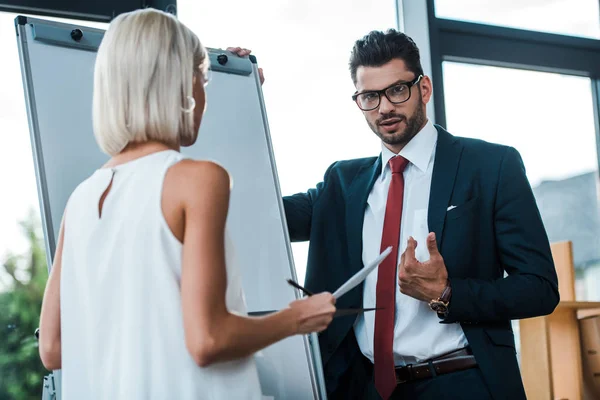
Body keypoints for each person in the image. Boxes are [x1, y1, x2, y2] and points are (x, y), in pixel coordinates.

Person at [244, 28, 560, 400]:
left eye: (396, 90)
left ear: (423, 89)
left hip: (462, 382)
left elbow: (539, 288)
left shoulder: (491, 166)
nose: (384, 108)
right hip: (363, 388)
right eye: (369, 96)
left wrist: (447, 293)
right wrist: (236, 95)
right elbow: (254, 213)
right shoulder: (340, 184)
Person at [37, 9, 336, 400]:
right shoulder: (200, 180)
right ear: (179, 83)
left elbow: (52, 349)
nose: (204, 94)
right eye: (204, 77)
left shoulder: (82, 198)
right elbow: (209, 339)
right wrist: (295, 319)